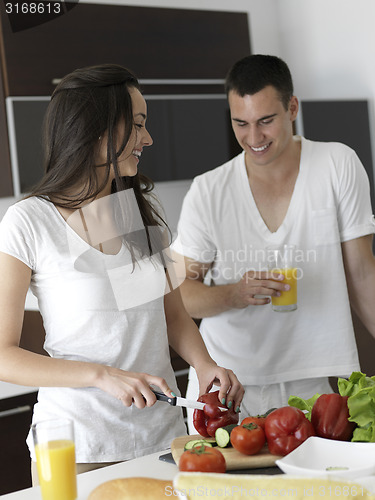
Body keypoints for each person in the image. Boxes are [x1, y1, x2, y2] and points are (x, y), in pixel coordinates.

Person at [0, 64, 244, 481]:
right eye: (136, 125)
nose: (147, 138)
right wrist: (100, 375)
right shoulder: (29, 222)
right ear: (95, 128)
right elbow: (4, 356)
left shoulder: (139, 211)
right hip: (79, 446)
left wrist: (205, 365)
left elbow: (172, 315)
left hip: (161, 440)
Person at [172, 54, 375, 432]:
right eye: (241, 123)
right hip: (228, 386)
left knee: (321, 490)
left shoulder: (337, 164)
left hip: (315, 381)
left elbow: (363, 274)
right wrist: (235, 293)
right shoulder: (209, 190)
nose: (254, 138)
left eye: (266, 121)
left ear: (292, 107)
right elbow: (179, 291)